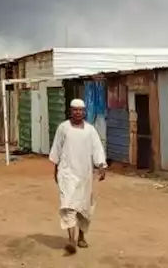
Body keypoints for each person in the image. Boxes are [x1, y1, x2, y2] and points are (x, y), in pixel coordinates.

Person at [48, 97, 107, 255]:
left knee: (83, 207)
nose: (78, 113)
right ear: (70, 111)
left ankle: (81, 236)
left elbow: (97, 149)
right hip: (67, 173)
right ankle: (71, 240)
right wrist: (56, 169)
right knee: (67, 205)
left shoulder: (90, 130)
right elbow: (57, 149)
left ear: (84, 112)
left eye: (80, 110)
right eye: (75, 110)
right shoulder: (63, 128)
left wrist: (101, 165)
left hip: (84, 175)